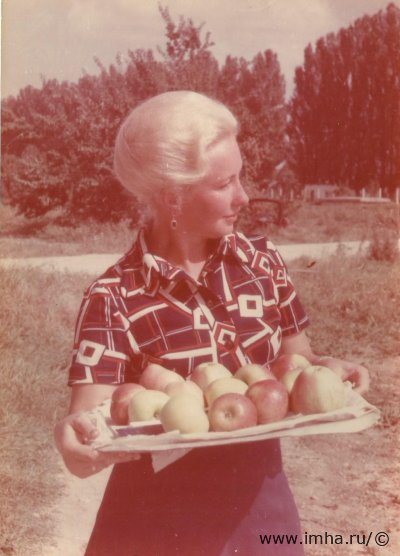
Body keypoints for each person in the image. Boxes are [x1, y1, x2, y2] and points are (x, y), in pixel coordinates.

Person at [54, 90, 369, 556]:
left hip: (260, 508)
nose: (244, 196)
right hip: (156, 523)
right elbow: (90, 422)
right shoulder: (114, 296)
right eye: (225, 184)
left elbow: (296, 361)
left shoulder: (261, 262)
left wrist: (328, 368)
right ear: (173, 196)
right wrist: (71, 441)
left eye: (240, 177)